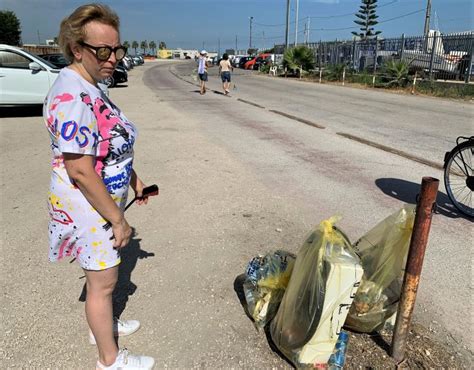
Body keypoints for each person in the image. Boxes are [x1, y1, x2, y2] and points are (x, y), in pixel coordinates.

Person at [43, 4, 155, 369]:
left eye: (116, 49)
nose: (112, 59)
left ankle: (102, 326)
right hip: (89, 204)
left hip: (102, 199)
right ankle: (110, 359)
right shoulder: (71, 95)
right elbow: (81, 170)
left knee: (102, 276)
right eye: (102, 51)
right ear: (77, 49)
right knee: (104, 282)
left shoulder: (90, 84)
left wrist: (135, 181)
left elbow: (110, 141)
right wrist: (118, 221)